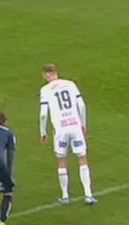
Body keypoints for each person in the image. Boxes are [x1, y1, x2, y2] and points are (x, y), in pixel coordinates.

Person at [38, 63, 97, 205]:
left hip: (60, 129)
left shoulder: (45, 90)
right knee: (82, 158)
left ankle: (65, 196)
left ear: (46, 75)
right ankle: (88, 195)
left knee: (62, 160)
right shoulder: (70, 84)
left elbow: (43, 114)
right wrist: (83, 124)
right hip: (75, 126)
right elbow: (81, 105)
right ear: (56, 72)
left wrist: (43, 131)